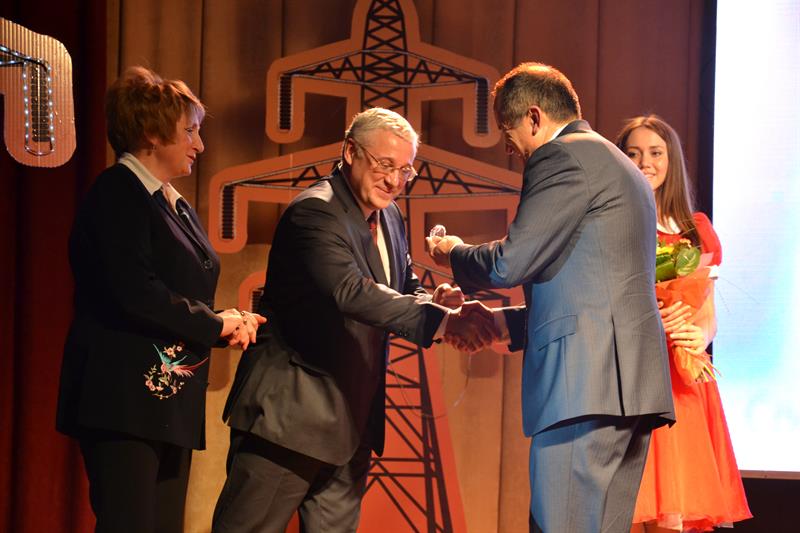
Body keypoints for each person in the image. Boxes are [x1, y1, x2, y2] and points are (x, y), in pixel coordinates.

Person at [211, 107, 494, 533]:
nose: (394, 180)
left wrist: (436, 301)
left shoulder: (391, 214)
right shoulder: (315, 212)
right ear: (350, 152)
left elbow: (401, 283)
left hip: (352, 423)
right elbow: (351, 292)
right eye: (384, 165)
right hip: (290, 419)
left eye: (405, 170)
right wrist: (444, 322)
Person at [426, 62, 675, 533]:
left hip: (583, 386)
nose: (511, 150)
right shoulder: (620, 166)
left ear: (535, 117)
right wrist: (501, 324)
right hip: (628, 391)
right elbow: (591, 286)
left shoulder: (561, 156)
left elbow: (509, 263)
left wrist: (451, 251)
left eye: (509, 135)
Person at [56, 66, 265, 533]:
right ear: (151, 133)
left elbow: (178, 290)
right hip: (125, 399)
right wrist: (214, 325)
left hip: (168, 400)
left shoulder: (173, 203)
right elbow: (134, 291)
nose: (200, 144)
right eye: (190, 131)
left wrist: (225, 319)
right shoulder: (117, 193)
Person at [616, 115, 751, 532]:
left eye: (655, 153)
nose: (645, 162)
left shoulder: (696, 231)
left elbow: (707, 314)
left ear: (671, 160)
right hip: (635, 374)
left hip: (683, 382)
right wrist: (649, 317)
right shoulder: (613, 225)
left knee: (674, 517)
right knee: (629, 509)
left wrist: (697, 334)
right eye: (633, 153)